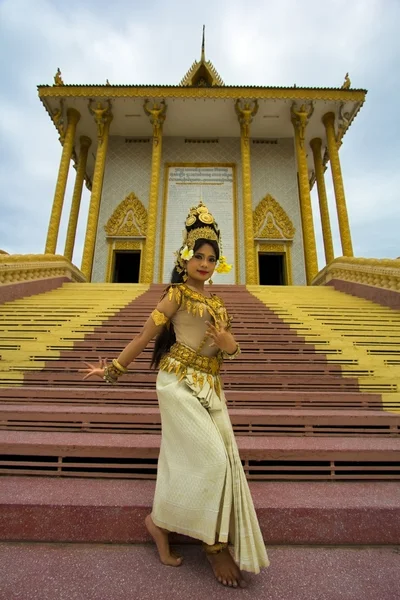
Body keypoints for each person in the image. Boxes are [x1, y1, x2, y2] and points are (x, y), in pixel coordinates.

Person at [81, 201, 270, 588]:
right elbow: (143, 336)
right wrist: (113, 369)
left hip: (210, 386)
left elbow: (229, 351)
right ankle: (214, 548)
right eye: (198, 256)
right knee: (215, 460)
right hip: (177, 383)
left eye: (211, 258)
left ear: (218, 264)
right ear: (185, 259)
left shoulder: (218, 304)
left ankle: (159, 523)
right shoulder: (177, 295)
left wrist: (227, 343)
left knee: (221, 463)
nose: (204, 263)